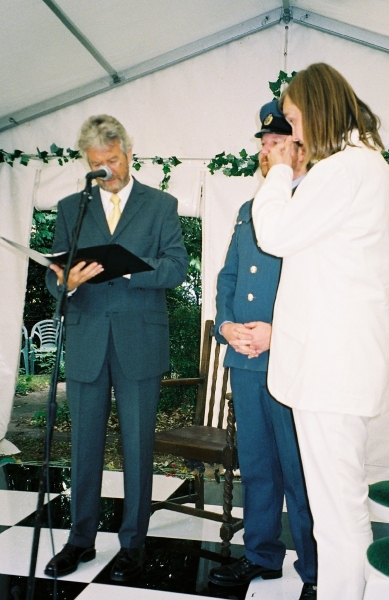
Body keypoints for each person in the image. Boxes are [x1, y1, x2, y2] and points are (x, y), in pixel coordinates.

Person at [252, 64, 389, 600]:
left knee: (337, 510)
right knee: (336, 506)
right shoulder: (361, 167)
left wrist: (277, 174)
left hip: (331, 369)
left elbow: (274, 234)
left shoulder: (346, 169)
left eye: (293, 120)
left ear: (316, 111)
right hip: (335, 366)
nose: (291, 133)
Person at [44, 115, 189, 581]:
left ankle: (133, 543)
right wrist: (65, 281)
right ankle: (80, 540)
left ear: (128, 153)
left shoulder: (161, 205)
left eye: (111, 160)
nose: (105, 169)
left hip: (139, 342)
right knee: (83, 445)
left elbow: (177, 268)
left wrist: (126, 267)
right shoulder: (71, 207)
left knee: (137, 445)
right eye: (96, 163)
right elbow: (53, 275)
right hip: (87, 339)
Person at [209, 100, 317, 600]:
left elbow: (321, 287)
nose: (266, 150)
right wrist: (226, 326)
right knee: (256, 465)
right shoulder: (247, 210)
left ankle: (317, 570)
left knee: (300, 469)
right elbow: (228, 277)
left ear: (300, 147)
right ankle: (261, 556)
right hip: (246, 359)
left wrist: (280, 331)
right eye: (264, 143)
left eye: (277, 142)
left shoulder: (315, 202)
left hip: (291, 357)